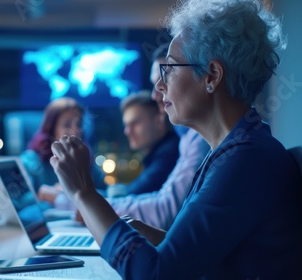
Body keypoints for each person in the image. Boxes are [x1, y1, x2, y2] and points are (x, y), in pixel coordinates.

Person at [50, 0, 302, 278]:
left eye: (169, 68)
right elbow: (213, 257)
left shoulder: (246, 160)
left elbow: (156, 275)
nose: (159, 85)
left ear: (212, 76)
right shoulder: (236, 149)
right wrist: (159, 238)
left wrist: (84, 194)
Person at [105, 44, 210, 230]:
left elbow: (164, 211)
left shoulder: (197, 140)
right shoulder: (187, 138)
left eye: (166, 77)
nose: (156, 94)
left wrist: (87, 201)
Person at [19, 97, 106, 205]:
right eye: (67, 124)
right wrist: (43, 195)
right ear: (51, 129)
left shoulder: (85, 162)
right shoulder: (30, 161)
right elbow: (18, 202)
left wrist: (79, 193)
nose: (75, 131)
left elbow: (108, 192)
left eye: (79, 124)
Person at [116, 93, 179, 195]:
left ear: (159, 121)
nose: (127, 131)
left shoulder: (169, 154)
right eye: (126, 125)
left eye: (135, 123)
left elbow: (133, 193)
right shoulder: (162, 152)